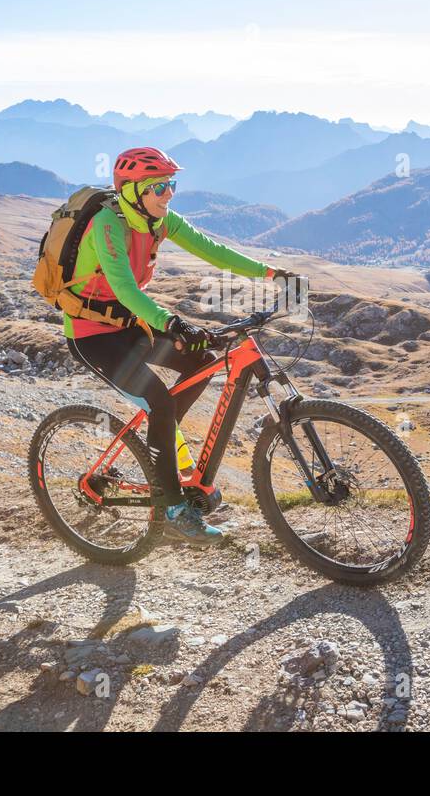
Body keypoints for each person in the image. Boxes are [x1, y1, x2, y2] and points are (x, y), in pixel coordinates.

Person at [64, 146, 300, 545]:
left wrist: (273, 273)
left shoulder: (160, 220)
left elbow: (212, 250)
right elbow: (123, 288)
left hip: (130, 327)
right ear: (132, 190)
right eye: (159, 187)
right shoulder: (107, 224)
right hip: (92, 335)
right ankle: (172, 509)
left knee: (201, 363)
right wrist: (170, 322)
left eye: (171, 185)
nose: (168, 194)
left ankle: (166, 444)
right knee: (158, 401)